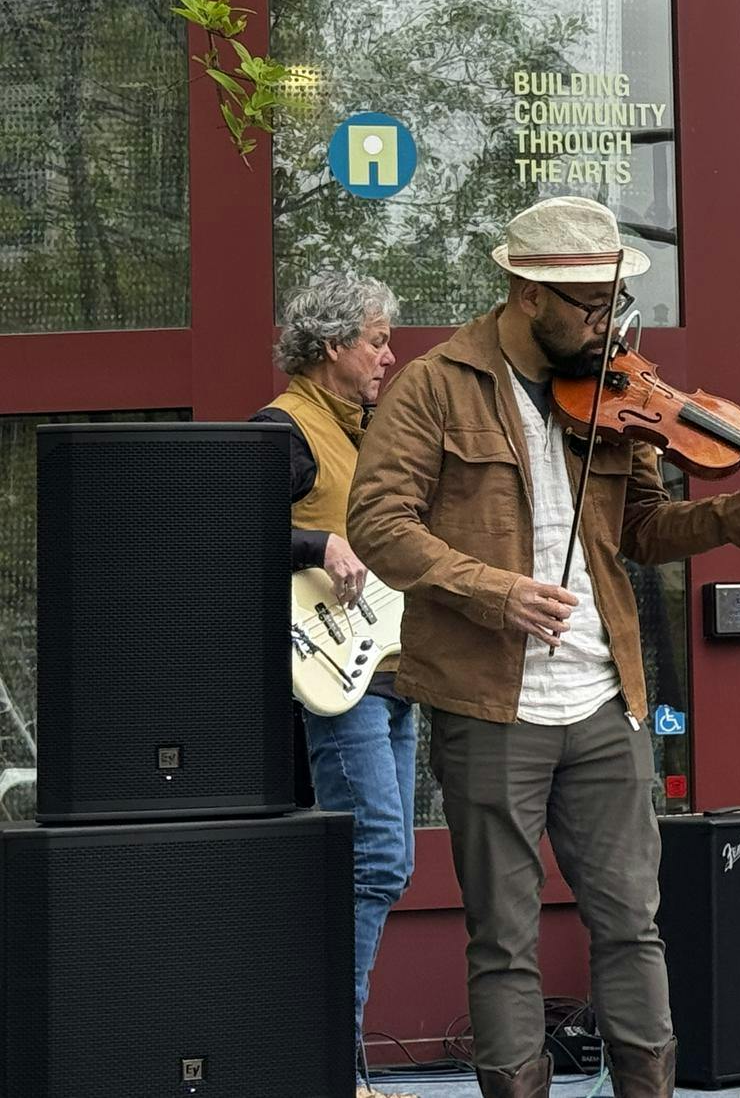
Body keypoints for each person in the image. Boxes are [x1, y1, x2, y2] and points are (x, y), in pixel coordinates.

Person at [347, 196, 740, 1098]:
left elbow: (644, 530)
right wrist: (496, 591)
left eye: (614, 306)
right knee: (505, 931)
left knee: (631, 922)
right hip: (489, 700)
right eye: (591, 308)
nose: (608, 326)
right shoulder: (435, 383)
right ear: (529, 293)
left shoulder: (615, 389)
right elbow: (377, 522)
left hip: (605, 698)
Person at [251, 272, 412, 1098]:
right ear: (331, 347)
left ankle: (328, 1058)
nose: (390, 354)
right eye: (377, 339)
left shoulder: (372, 430)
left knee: (385, 860)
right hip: (337, 678)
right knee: (377, 856)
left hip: (389, 670)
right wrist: (316, 546)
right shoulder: (285, 428)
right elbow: (222, 529)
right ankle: (328, 1062)